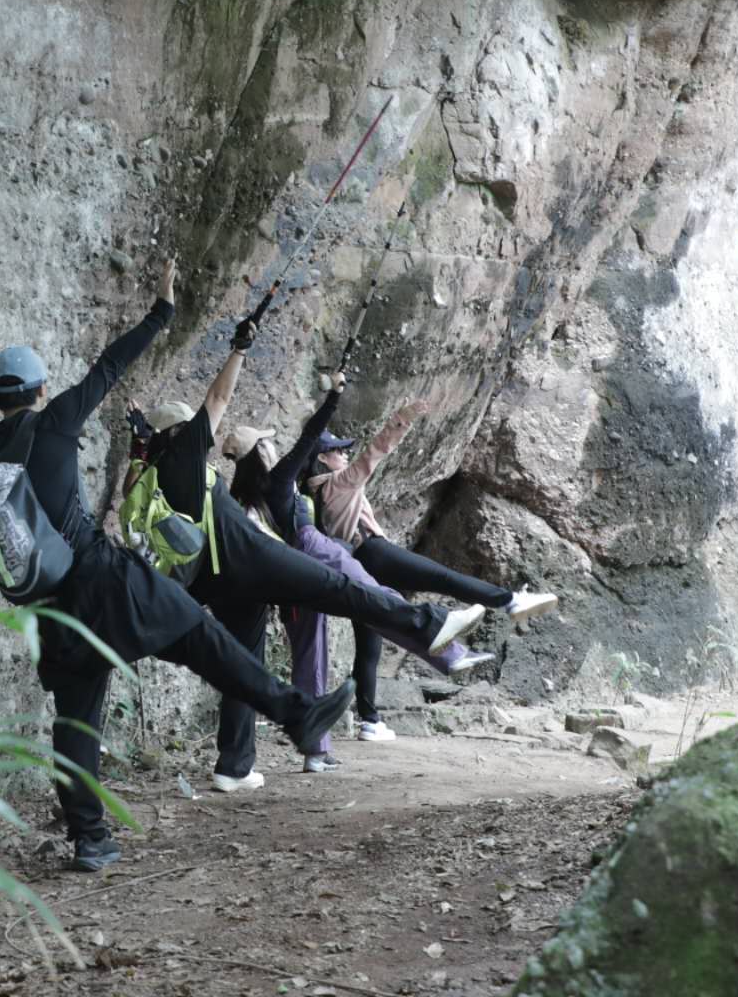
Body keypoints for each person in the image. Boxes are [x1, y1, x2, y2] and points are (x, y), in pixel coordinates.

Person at [0, 258, 353, 873]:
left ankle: (90, 840)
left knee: (75, 721)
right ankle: (298, 715)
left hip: (49, 609)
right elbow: (110, 366)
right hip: (104, 579)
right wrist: (162, 308)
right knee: (203, 638)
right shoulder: (55, 421)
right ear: (38, 391)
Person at [139, 330, 487, 792]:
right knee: (339, 590)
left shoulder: (152, 476)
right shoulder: (186, 458)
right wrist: (240, 350)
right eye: (190, 427)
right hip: (253, 559)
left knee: (242, 666)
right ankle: (430, 623)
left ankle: (234, 765)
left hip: (216, 582)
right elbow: (219, 397)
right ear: (178, 434)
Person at [224, 374, 490, 765]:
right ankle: (445, 642)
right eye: (267, 442)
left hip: (288, 577)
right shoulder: (279, 480)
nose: (274, 445)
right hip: (314, 551)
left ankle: (316, 752)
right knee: (377, 600)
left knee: (312, 658)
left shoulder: (244, 496)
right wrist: (334, 397)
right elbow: (308, 439)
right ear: (260, 452)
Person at [304, 400, 557, 742]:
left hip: (358, 566)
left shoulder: (315, 493)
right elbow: (373, 455)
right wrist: (401, 420)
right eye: (338, 451)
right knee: (441, 578)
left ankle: (370, 720)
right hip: (375, 553)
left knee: (370, 643)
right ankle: (509, 601)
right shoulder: (337, 483)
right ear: (322, 458)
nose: (345, 455)